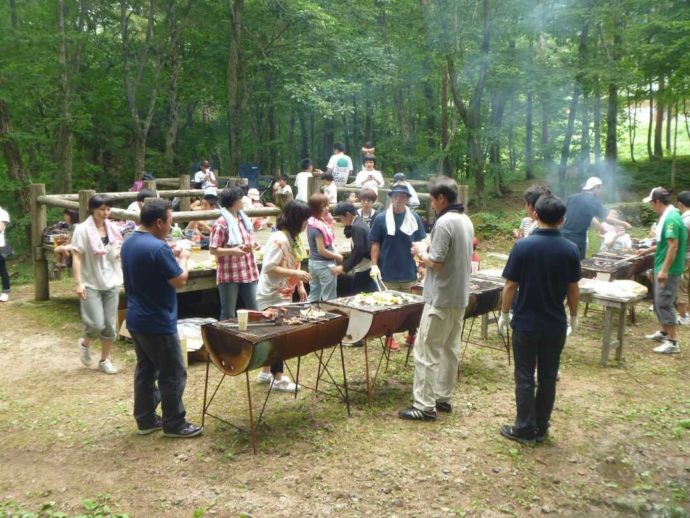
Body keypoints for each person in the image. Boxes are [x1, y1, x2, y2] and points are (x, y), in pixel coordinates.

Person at [497, 194, 581, 444]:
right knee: (547, 376)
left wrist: (503, 313)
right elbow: (573, 287)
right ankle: (541, 427)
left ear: (535, 215)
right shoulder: (570, 249)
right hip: (554, 323)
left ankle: (524, 428)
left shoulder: (523, 246)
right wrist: (573, 316)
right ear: (562, 219)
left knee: (524, 375)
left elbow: (511, 284)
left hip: (526, 322)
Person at [121, 198, 203, 437]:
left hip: (136, 318)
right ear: (158, 222)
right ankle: (175, 423)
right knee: (173, 372)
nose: (171, 226)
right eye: (170, 222)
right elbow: (179, 280)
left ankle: (145, 419)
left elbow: (151, 265)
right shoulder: (157, 248)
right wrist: (184, 258)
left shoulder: (130, 242)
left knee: (146, 371)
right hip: (157, 321)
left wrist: (171, 252)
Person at [397, 177, 474, 421]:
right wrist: (426, 246)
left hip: (440, 297)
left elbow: (437, 262)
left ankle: (424, 405)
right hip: (459, 296)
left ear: (441, 198)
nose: (430, 203)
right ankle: (443, 397)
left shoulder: (444, 222)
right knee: (450, 349)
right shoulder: (465, 220)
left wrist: (421, 253)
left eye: (432, 198)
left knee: (426, 350)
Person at [255, 200, 311, 391]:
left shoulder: (294, 238)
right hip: (271, 294)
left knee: (273, 334)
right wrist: (296, 275)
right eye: (305, 219)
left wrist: (300, 285)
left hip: (284, 292)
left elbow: (296, 263)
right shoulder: (280, 239)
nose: (307, 223)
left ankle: (264, 373)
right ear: (297, 219)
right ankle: (278, 378)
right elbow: (269, 268)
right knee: (279, 336)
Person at [369, 183, 426, 350]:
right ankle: (389, 337)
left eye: (402, 196)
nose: (399, 199)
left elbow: (420, 242)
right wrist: (374, 265)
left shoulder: (414, 218)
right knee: (390, 308)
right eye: (395, 196)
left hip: (409, 269)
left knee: (412, 306)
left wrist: (422, 265)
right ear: (391, 198)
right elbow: (375, 244)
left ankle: (411, 335)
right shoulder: (381, 218)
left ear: (408, 199)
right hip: (388, 270)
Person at [70, 195, 123, 375]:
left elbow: (117, 249)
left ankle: (104, 360)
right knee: (96, 323)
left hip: (111, 281)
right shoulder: (82, 230)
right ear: (92, 209)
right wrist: (79, 283)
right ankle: (85, 344)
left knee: (109, 324)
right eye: (101, 209)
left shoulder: (113, 229)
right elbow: (76, 256)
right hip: (90, 282)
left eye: (108, 209)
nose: (105, 213)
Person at [638, 187, 687, 354]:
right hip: (662, 265)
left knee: (664, 304)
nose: (651, 206)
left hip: (670, 269)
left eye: (652, 203)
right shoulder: (668, 216)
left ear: (657, 202)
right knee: (659, 302)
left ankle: (673, 342)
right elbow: (663, 243)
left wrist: (664, 270)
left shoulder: (671, 219)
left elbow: (673, 246)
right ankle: (664, 332)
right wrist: (646, 251)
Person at [209, 187, 260, 321]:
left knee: (255, 309)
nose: (243, 201)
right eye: (241, 199)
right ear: (234, 202)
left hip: (248, 270)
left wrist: (254, 245)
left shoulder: (244, 219)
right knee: (228, 313)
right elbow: (213, 249)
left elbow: (246, 240)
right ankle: (225, 340)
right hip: (229, 273)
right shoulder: (221, 223)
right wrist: (233, 251)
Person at [561, 176, 631, 259]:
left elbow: (565, 217)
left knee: (564, 261)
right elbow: (607, 219)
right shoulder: (593, 201)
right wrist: (624, 223)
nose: (600, 192)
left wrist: (600, 227)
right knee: (577, 264)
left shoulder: (572, 197)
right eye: (600, 189)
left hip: (563, 236)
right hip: (578, 238)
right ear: (596, 187)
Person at [331, 202, 377, 295]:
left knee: (357, 294)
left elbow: (359, 250)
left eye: (341, 218)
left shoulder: (357, 227)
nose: (341, 221)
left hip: (364, 266)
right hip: (365, 265)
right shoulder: (359, 222)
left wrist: (344, 267)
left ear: (347, 215)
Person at [307, 194, 343, 302]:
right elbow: (321, 250)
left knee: (314, 294)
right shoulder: (317, 227)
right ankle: (330, 317)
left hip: (313, 263)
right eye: (324, 206)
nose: (327, 208)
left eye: (327, 205)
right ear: (316, 208)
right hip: (324, 265)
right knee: (329, 298)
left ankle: (310, 316)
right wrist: (337, 256)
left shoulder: (312, 222)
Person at [676, 191, 690, 325]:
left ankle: (683, 317)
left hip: (685, 258)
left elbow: (679, 243)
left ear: (680, 204)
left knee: (682, 287)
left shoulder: (684, 221)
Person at [0, 205, 11, 302]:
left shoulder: (3, 213)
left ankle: (5, 291)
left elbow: (0, 228)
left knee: (2, 269)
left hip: (0, 246)